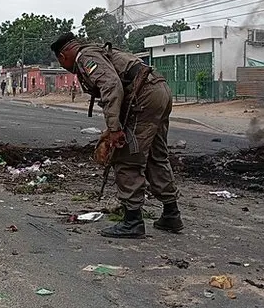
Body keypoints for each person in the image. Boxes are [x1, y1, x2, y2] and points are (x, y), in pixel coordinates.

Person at [50, 32, 182, 239]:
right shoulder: (98, 51)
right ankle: (171, 214)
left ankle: (133, 221)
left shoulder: (85, 58)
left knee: (127, 157)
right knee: (156, 155)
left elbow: (111, 86)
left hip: (144, 95)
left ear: (62, 55)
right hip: (159, 90)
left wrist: (114, 129)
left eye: (61, 61)